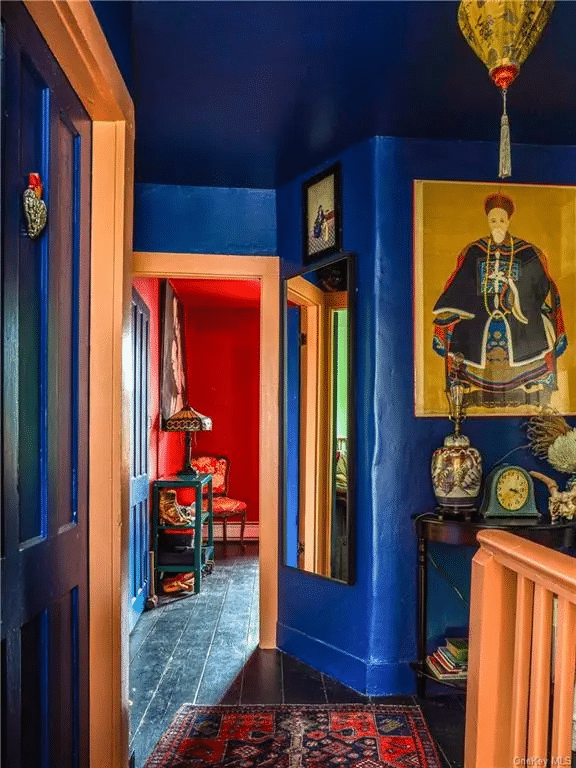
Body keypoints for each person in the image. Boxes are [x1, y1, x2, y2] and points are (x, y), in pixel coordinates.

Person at [432, 193, 567, 408]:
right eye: (493, 221)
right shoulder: (475, 250)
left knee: (535, 327)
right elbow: (461, 281)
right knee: (463, 328)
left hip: (519, 311)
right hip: (478, 310)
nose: (497, 225)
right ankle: (464, 382)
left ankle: (533, 379)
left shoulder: (526, 252)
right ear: (488, 222)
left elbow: (541, 285)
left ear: (508, 221)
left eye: (501, 220)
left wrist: (515, 292)